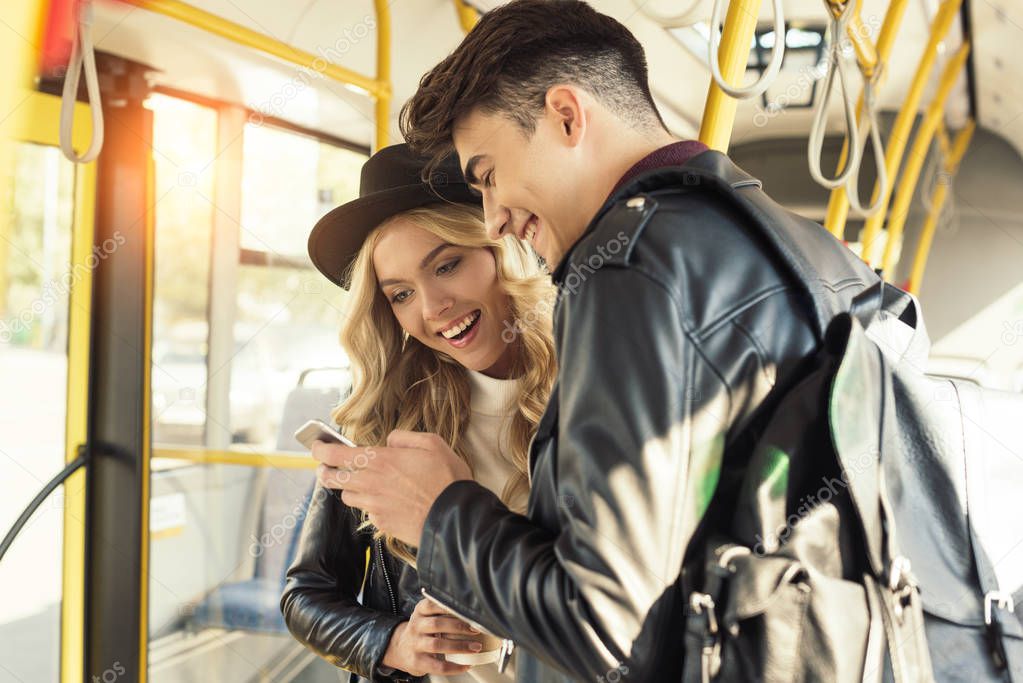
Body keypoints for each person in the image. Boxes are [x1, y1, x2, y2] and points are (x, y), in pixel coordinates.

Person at [316, 1, 902, 681]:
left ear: (567, 115)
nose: (495, 216)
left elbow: (599, 624)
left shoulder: (627, 268)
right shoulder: (809, 250)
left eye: (486, 175)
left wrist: (442, 512)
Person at [280, 143, 557, 682]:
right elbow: (305, 594)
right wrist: (395, 641)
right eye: (401, 294)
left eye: (448, 265)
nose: (432, 309)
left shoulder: (593, 394)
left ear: (502, 251)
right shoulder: (382, 421)